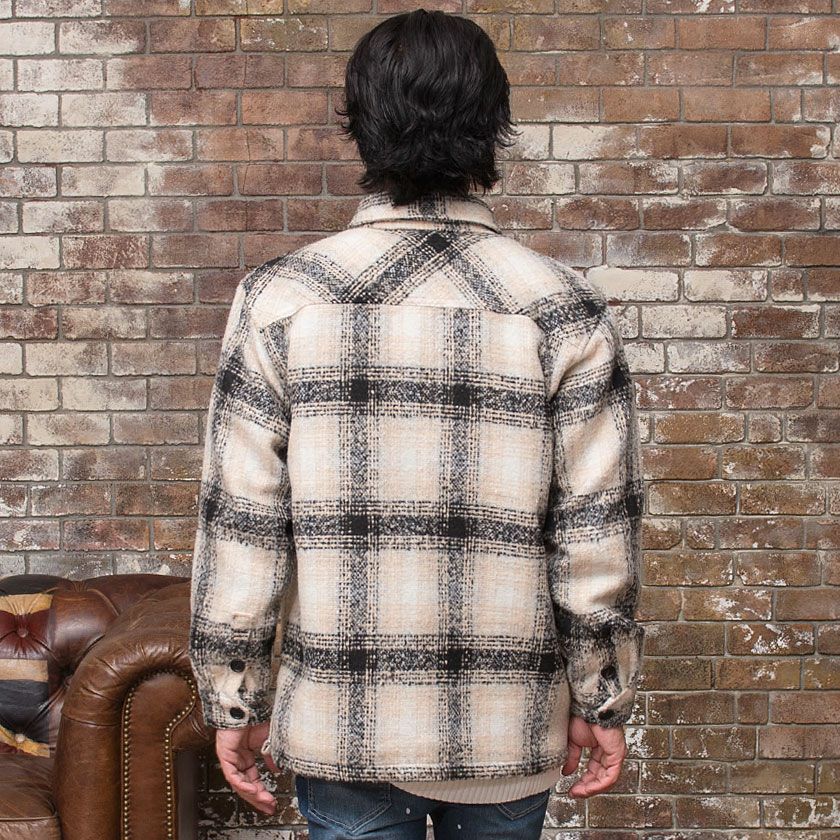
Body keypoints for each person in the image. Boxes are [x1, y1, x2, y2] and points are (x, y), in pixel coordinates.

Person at [187, 9, 645, 839]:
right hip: (507, 724)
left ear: (361, 123)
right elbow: (595, 537)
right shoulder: (561, 306)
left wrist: (235, 698)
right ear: (492, 126)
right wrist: (600, 696)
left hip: (344, 723)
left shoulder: (281, 300)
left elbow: (243, 528)